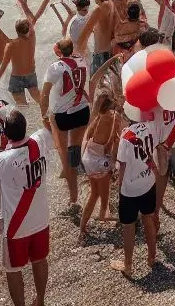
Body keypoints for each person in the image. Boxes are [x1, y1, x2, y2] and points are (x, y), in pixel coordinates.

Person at [0, 110, 54, 306]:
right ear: (25, 128)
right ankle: (40, 300)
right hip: (41, 220)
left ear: (5, 135)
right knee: (40, 260)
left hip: (16, 227)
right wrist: (48, 115)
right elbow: (51, 128)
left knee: (13, 270)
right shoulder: (39, 141)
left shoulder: (3, 159)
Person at [113, 110, 164, 276]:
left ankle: (128, 265)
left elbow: (122, 166)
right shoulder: (150, 128)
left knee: (128, 226)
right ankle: (151, 257)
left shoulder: (126, 137)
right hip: (148, 182)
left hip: (130, 189)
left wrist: (118, 189)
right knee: (148, 219)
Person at [40, 38, 90, 207]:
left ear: (59, 52)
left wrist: (43, 115)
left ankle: (73, 195)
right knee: (74, 149)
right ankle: (72, 174)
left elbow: (45, 94)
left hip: (62, 116)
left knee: (64, 155)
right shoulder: (82, 60)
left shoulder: (55, 68)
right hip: (82, 111)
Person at [0, 0, 51, 107]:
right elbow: (33, 19)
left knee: (23, 107)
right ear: (28, 29)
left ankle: (29, 124)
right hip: (30, 75)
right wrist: (43, 2)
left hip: (16, 78)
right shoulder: (32, 39)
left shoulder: (11, 45)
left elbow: (4, 64)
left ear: (16, 31)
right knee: (41, 102)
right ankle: (47, 118)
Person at [79, 94, 117, 240]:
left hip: (88, 158)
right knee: (104, 191)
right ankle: (103, 214)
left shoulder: (97, 117)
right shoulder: (112, 119)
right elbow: (109, 147)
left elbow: (89, 137)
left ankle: (82, 228)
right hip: (99, 161)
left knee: (94, 194)